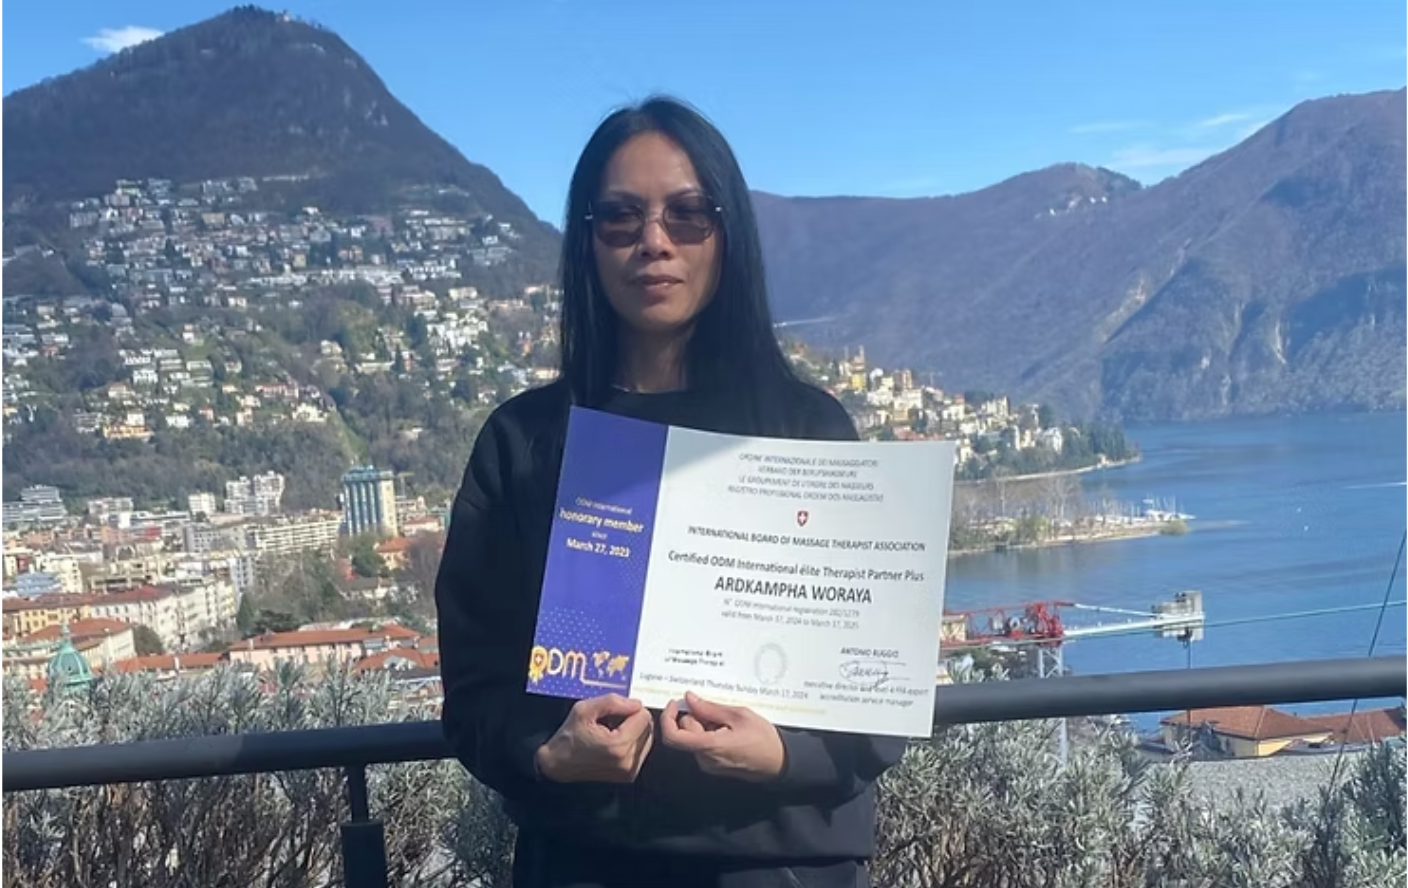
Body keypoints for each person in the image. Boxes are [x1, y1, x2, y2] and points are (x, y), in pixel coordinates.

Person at [435, 95, 908, 888]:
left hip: (784, 866)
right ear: (587, 240)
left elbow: (873, 689)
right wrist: (548, 753)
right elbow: (474, 686)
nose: (653, 240)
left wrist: (786, 754)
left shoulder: (807, 430)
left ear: (728, 235)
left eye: (688, 214)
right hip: (584, 865)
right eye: (620, 216)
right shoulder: (523, 442)